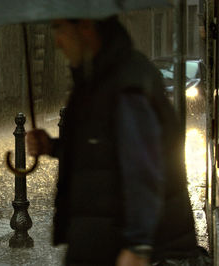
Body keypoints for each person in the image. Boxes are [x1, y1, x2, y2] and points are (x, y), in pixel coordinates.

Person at [26, 17, 210, 266]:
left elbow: (144, 168)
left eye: (60, 28)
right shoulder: (96, 78)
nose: (57, 42)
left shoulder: (126, 83)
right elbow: (102, 150)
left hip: (124, 249)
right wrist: (53, 146)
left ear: (85, 27)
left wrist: (138, 246)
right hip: (101, 243)